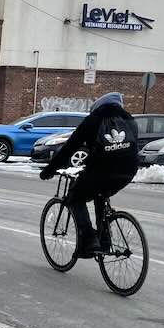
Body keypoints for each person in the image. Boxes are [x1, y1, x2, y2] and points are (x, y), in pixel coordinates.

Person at [40, 92, 140, 258]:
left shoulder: (94, 120)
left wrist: (49, 170)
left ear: (98, 107)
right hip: (128, 170)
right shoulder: (129, 120)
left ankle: (89, 239)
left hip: (101, 170)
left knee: (75, 198)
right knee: (100, 195)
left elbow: (70, 147)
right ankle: (105, 241)